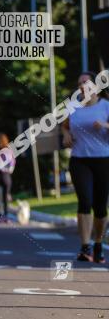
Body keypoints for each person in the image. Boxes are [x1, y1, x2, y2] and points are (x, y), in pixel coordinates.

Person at [60, 71, 109, 263]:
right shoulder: (72, 106)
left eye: (86, 82)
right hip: (79, 160)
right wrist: (65, 134)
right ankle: (85, 246)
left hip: (103, 160)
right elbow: (64, 125)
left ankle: (98, 244)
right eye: (79, 83)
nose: (82, 85)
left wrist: (105, 125)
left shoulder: (105, 106)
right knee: (85, 201)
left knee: (100, 207)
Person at [0, 133, 15, 223]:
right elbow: (12, 165)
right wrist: (6, 169)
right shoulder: (8, 151)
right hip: (6, 176)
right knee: (5, 197)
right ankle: (6, 216)